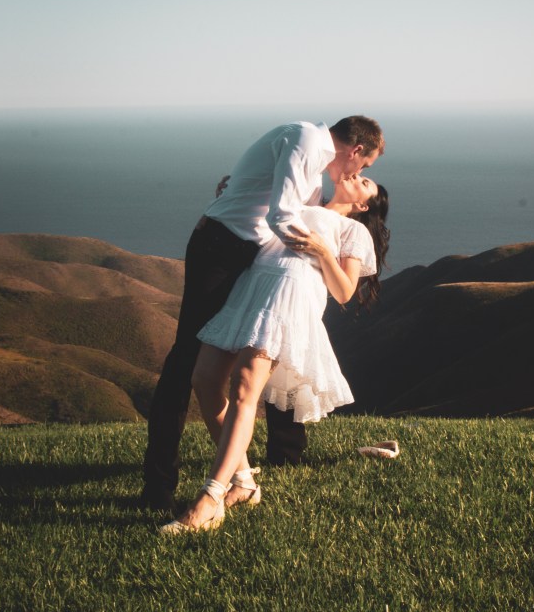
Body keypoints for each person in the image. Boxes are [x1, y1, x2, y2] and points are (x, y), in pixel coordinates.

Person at [139, 115, 384, 514]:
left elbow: (277, 208)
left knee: (252, 368)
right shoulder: (308, 145)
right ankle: (180, 480)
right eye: (365, 167)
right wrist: (234, 194)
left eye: (366, 178)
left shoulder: (324, 192)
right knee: (195, 364)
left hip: (255, 265)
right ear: (356, 151)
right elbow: (278, 216)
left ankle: (233, 480)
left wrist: (240, 192)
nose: (360, 173)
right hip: (235, 257)